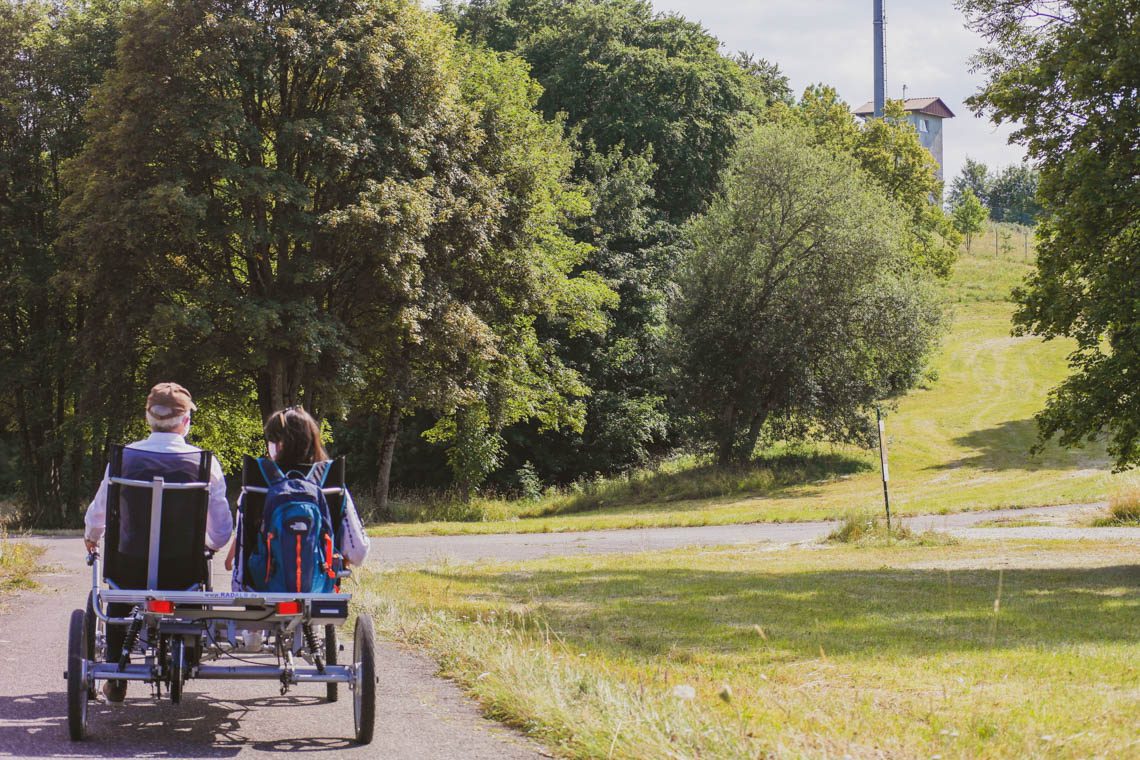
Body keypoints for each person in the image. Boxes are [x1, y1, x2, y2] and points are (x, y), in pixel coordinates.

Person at [83, 382, 233, 702]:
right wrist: (212, 547)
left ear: (148, 418)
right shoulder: (203, 462)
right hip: (184, 571)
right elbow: (222, 529)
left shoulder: (124, 459)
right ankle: (189, 651)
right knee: (196, 573)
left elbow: (99, 512)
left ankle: (115, 667)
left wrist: (91, 538)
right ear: (186, 421)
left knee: (119, 591)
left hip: (129, 569)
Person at [225, 406, 370, 589]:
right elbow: (359, 552)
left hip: (261, 595)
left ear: (277, 444)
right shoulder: (329, 481)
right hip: (318, 595)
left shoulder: (257, 480)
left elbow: (241, 554)